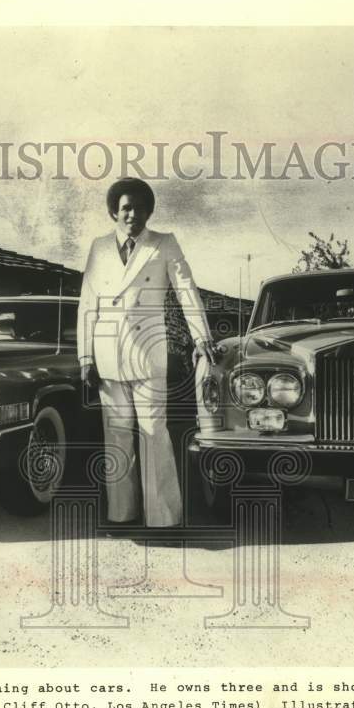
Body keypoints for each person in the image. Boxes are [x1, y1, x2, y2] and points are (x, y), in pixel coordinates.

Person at [77, 178, 216, 527]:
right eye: (126, 207)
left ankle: (163, 520)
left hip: (149, 355)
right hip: (108, 357)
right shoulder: (98, 247)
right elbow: (86, 305)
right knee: (117, 435)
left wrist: (202, 338)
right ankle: (121, 515)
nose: (132, 214)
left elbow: (187, 291)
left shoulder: (164, 244)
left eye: (140, 208)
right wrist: (85, 357)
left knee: (154, 433)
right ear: (114, 211)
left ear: (149, 212)